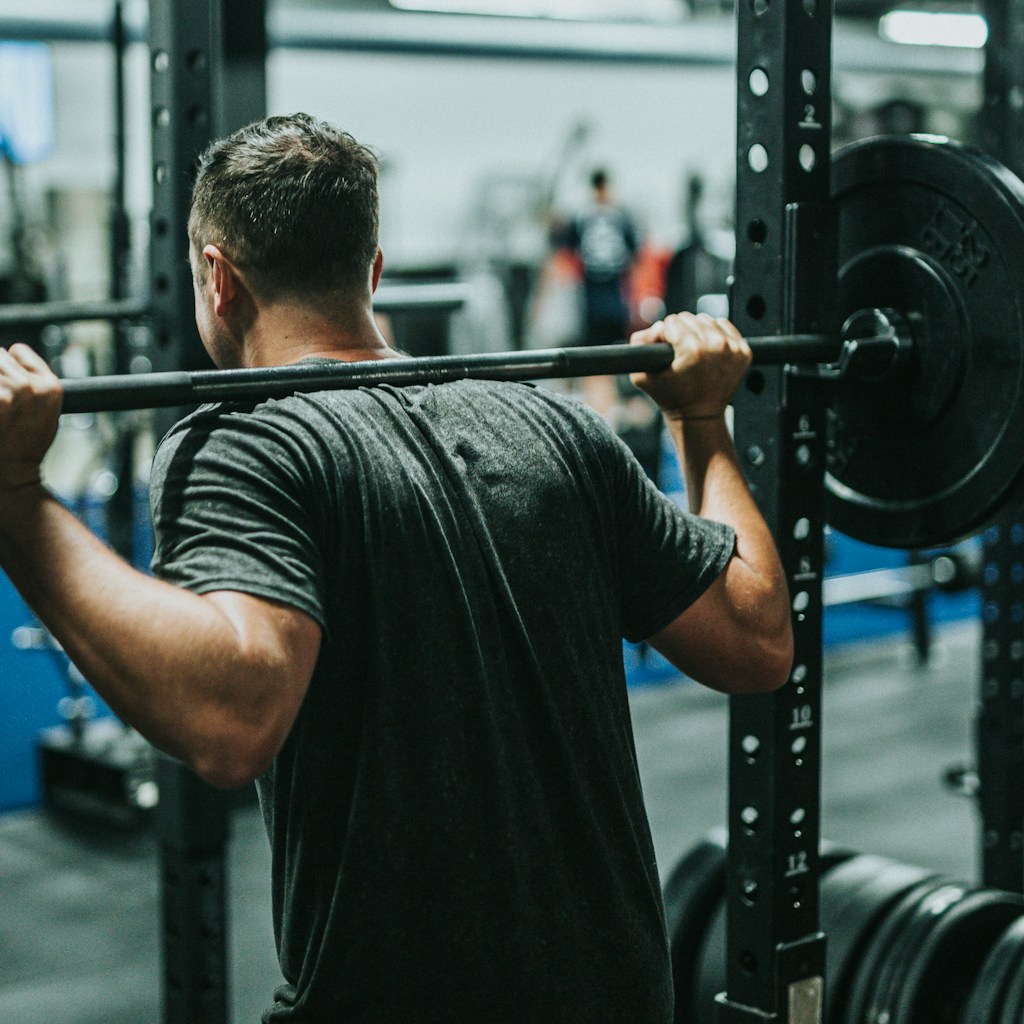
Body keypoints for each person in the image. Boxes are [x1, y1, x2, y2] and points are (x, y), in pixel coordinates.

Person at [0, 113, 792, 1022]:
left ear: (217, 279)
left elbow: (231, 718)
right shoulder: (554, 427)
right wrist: (702, 421)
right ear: (373, 271)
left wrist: (18, 501)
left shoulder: (248, 442)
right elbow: (759, 639)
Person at [560, 167, 640, 417]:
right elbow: (634, 257)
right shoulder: (621, 217)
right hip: (612, 300)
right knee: (611, 359)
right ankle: (607, 410)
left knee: (596, 361)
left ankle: (602, 411)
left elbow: (567, 257)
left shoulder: (581, 218)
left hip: (595, 300)